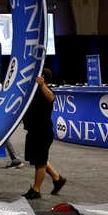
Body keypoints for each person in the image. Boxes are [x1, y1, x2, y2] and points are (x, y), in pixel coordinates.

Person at [22, 68, 67, 199]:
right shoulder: (33, 92)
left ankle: (36, 190)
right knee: (37, 158)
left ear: (42, 78)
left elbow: (51, 97)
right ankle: (58, 179)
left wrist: (42, 84)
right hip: (33, 130)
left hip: (42, 131)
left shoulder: (45, 91)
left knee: (40, 161)